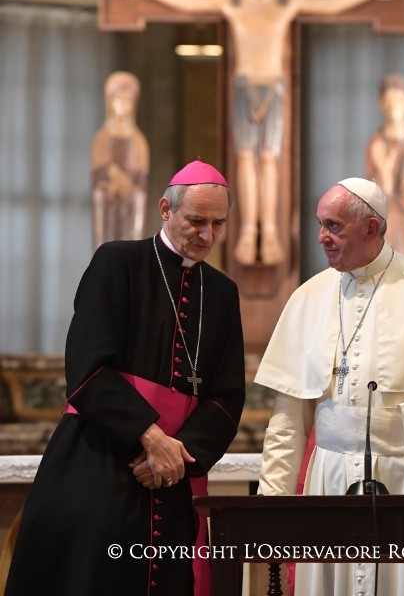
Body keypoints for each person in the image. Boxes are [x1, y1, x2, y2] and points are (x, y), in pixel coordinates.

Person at [5, 160, 245, 596]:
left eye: (218, 223)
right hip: (101, 456)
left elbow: (227, 396)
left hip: (174, 475)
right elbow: (88, 368)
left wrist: (178, 456)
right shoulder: (117, 263)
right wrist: (149, 438)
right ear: (165, 209)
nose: (206, 235)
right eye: (196, 220)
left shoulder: (223, 293)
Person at [255, 177, 404, 596]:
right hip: (331, 485)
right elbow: (287, 422)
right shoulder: (308, 297)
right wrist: (270, 508)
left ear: (372, 228)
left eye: (334, 226)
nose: (322, 237)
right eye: (320, 224)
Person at [109, 0, 404, 267]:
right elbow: (190, 2)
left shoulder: (285, 4)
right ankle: (249, 231)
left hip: (273, 89)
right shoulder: (234, 4)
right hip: (244, 87)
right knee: (245, 161)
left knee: (269, 161)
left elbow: (328, 4)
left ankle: (271, 233)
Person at [366, 73, 404, 256]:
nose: (394, 106)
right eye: (389, 100)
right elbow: (374, 186)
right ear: (380, 103)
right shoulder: (376, 143)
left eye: (398, 100)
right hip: (384, 219)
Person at [91, 70, 150, 248]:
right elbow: (97, 177)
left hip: (128, 206)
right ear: (109, 102)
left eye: (128, 100)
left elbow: (141, 181)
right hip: (108, 203)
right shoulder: (102, 138)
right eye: (118, 100)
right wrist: (109, 185)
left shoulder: (138, 141)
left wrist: (128, 187)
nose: (123, 106)